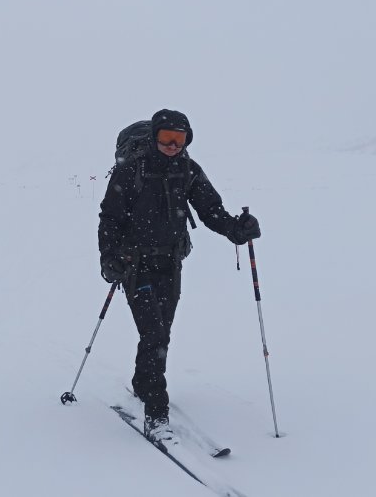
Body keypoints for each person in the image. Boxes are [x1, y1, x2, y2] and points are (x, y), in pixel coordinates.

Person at [98, 109, 261, 443]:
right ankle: (157, 414)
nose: (172, 146)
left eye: (180, 139)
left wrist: (236, 229)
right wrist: (109, 258)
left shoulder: (188, 171)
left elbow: (211, 211)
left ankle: (144, 382)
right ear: (154, 137)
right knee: (154, 332)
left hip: (171, 263)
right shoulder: (130, 172)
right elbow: (110, 219)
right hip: (135, 263)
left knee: (161, 333)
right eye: (166, 139)